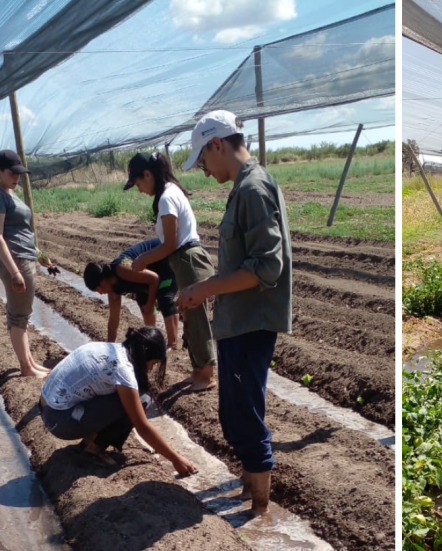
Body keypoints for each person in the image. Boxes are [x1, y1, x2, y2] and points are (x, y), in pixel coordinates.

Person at [177, 111, 292, 517]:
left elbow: (266, 267)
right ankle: (248, 493)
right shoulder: (246, 185)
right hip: (238, 320)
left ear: (216, 144)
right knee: (235, 410)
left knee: (243, 412)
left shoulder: (253, 188)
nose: (204, 171)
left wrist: (200, 289)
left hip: (250, 321)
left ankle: (260, 512)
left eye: (203, 161)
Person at [39, 326, 197, 476]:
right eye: (153, 364)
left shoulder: (108, 348)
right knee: (143, 399)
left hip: (48, 409)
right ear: (144, 356)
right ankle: (93, 450)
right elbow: (142, 427)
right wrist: (176, 459)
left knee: (128, 397)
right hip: (60, 422)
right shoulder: (122, 370)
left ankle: (89, 440)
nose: (150, 369)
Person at [122, 151, 217, 391]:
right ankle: (198, 371)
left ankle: (206, 375)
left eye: (139, 183)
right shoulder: (171, 192)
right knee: (190, 316)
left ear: (148, 174)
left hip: (188, 260)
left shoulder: (166, 198)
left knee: (196, 320)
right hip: (185, 261)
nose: (139, 189)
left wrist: (142, 260)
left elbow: (170, 244)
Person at [0, 150, 48, 378]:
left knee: (23, 313)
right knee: (19, 316)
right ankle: (26, 368)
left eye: (19, 173)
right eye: (12, 173)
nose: (17, 177)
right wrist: (14, 272)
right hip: (16, 261)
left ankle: (30, 362)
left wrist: (39, 254)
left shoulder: (8, 192)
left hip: (25, 257)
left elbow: (20, 231)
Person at [83, 238, 179, 348]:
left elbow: (154, 279)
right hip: (147, 276)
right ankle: (153, 341)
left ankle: (172, 344)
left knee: (165, 298)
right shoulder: (112, 289)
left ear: (103, 280)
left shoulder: (122, 268)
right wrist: (109, 347)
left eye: (98, 288)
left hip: (166, 259)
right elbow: (113, 321)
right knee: (143, 300)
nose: (100, 293)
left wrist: (151, 304)